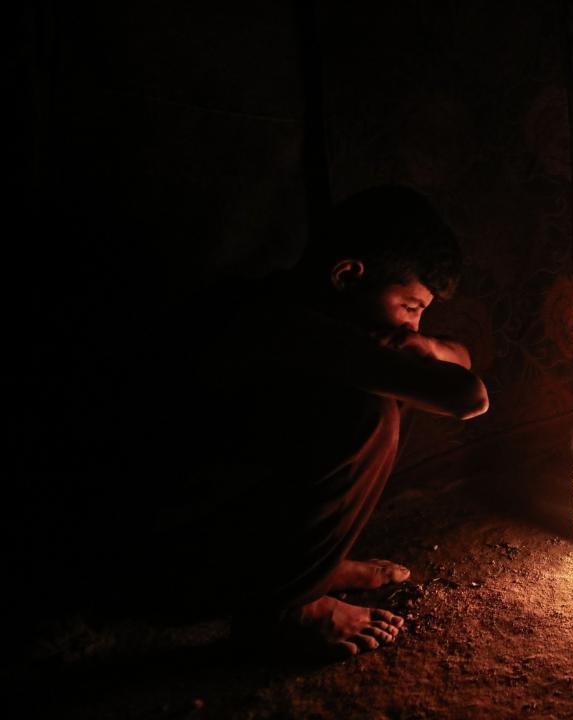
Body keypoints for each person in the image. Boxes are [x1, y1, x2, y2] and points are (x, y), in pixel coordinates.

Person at [148, 186, 488, 660]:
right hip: (170, 559)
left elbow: (460, 360)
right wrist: (409, 354)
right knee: (368, 411)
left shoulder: (298, 306)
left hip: (229, 532)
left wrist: (424, 347)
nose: (413, 326)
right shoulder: (282, 324)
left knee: (393, 389)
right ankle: (288, 606)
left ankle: (315, 568)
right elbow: (468, 397)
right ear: (347, 275)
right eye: (410, 308)